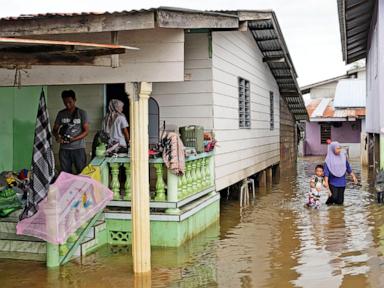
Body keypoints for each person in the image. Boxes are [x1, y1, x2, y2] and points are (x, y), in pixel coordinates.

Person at [53, 90, 89, 174]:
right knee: (66, 173)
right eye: (65, 103)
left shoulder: (82, 113)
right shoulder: (61, 113)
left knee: (81, 172)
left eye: (70, 102)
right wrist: (57, 137)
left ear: (75, 100)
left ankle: (80, 187)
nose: (67, 105)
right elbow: (54, 130)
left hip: (78, 148)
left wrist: (74, 139)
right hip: (64, 150)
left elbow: (86, 131)